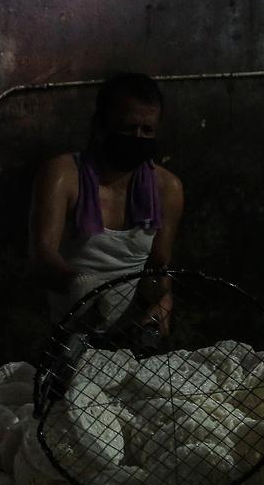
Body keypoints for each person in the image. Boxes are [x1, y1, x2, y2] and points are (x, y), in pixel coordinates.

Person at [28, 73, 183, 329]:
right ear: (101, 126)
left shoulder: (167, 188)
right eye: (128, 128)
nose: (138, 137)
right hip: (67, 330)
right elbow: (41, 258)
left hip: (128, 339)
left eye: (148, 130)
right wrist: (81, 286)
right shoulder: (64, 175)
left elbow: (158, 266)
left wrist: (162, 301)